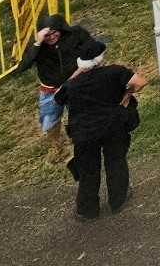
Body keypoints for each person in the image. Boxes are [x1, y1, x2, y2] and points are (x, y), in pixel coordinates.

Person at [54, 40, 146, 220]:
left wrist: (79, 72)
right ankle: (118, 199)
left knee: (88, 169)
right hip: (112, 126)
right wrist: (128, 93)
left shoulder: (73, 85)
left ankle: (87, 210)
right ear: (100, 59)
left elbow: (57, 98)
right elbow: (141, 81)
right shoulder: (114, 72)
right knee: (115, 161)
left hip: (84, 132)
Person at [18, 13, 100, 161]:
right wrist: (37, 43)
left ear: (61, 29)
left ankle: (87, 140)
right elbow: (23, 66)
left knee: (83, 115)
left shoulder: (76, 34)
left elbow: (93, 50)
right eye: (46, 36)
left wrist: (78, 74)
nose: (51, 38)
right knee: (49, 119)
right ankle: (56, 144)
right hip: (50, 89)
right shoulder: (37, 46)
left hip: (76, 83)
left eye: (54, 33)